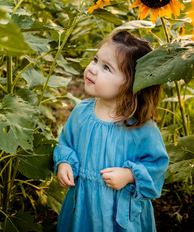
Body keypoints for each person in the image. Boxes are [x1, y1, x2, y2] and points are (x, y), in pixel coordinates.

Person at [53, 30, 169, 231]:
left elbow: (157, 165)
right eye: (96, 60)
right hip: (83, 205)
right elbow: (66, 143)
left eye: (106, 67)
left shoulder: (140, 127)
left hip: (119, 214)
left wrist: (129, 175)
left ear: (132, 83)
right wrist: (64, 162)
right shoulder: (82, 113)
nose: (92, 69)